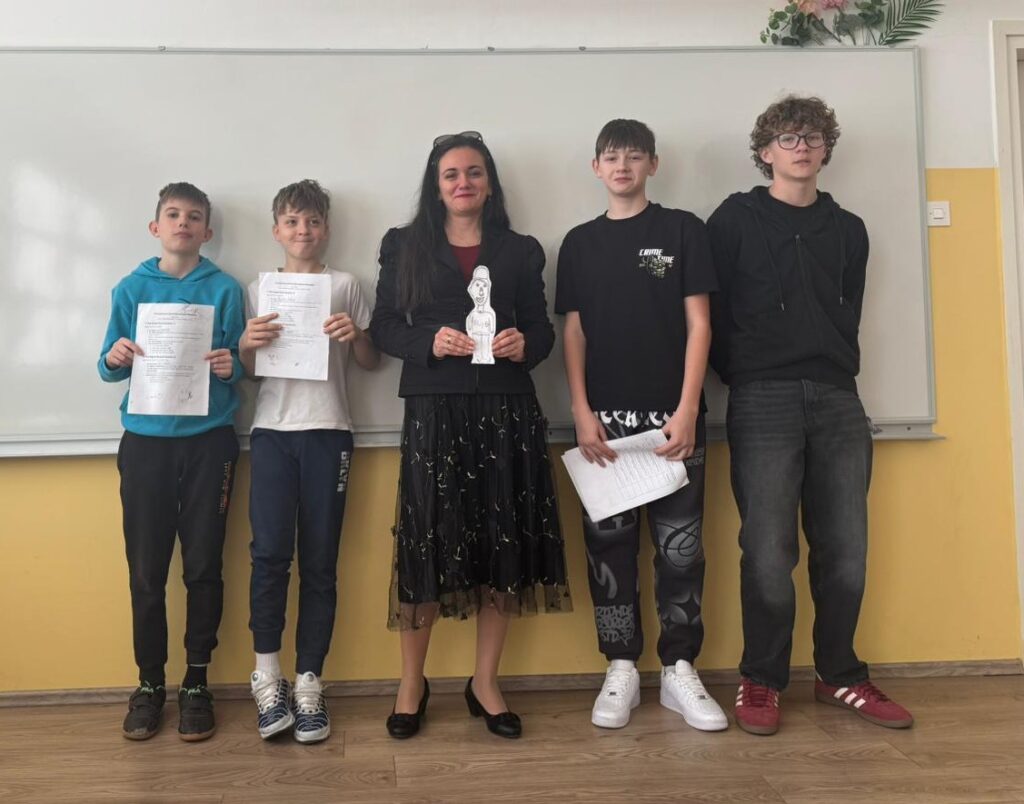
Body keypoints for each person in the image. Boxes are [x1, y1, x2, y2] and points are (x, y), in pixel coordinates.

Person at [707, 95, 914, 736]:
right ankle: (762, 680)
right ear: (765, 151)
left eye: (813, 137)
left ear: (827, 149)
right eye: (788, 138)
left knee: (846, 549)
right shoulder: (733, 220)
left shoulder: (849, 229)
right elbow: (710, 311)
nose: (802, 147)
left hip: (837, 397)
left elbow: (848, 307)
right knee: (768, 551)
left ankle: (840, 675)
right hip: (761, 398)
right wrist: (742, 372)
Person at [369, 131, 572, 740]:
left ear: (490, 183)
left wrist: (525, 345)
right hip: (434, 410)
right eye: (452, 174)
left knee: (501, 544)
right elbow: (383, 326)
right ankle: (412, 683)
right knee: (427, 543)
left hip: (507, 411)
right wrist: (426, 342)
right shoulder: (403, 244)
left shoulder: (521, 250)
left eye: (475, 172)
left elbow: (543, 331)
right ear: (436, 186)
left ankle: (485, 682)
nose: (464, 182)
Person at [554, 119, 727, 732]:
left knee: (681, 551)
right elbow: (574, 331)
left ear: (653, 164)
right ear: (595, 167)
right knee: (609, 552)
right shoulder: (579, 243)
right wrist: (581, 410)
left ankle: (680, 669)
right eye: (611, 157)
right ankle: (621, 666)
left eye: (633, 156)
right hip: (604, 428)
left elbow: (700, 324)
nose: (622, 166)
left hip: (673, 423)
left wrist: (688, 408)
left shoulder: (682, 230)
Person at [98, 182, 245, 742]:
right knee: (146, 570)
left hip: (210, 443)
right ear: (155, 227)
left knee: (204, 564)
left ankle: (197, 683)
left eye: (195, 216)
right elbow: (107, 364)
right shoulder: (131, 288)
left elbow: (241, 362)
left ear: (207, 231)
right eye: (174, 214)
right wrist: (115, 357)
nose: (184, 223)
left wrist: (232, 366)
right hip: (146, 444)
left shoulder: (225, 289)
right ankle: (150, 684)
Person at [239, 180, 379, 743]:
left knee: (320, 561)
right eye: (293, 222)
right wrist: (246, 345)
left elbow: (370, 361)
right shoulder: (258, 288)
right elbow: (251, 374)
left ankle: (309, 682)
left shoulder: (345, 285)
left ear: (327, 229)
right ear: (277, 230)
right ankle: (266, 676)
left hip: (329, 432)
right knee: (269, 556)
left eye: (313, 222)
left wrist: (355, 335)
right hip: (273, 434)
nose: (304, 231)